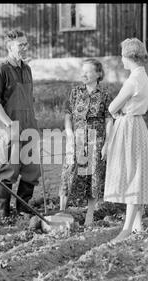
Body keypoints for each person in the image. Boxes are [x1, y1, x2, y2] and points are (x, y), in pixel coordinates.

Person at [104, 38, 148, 242]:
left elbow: (112, 107)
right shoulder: (143, 77)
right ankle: (138, 226)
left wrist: (116, 114)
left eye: (123, 55)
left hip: (129, 128)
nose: (121, 59)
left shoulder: (133, 80)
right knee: (135, 172)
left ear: (130, 57)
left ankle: (126, 230)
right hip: (137, 125)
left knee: (132, 174)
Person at [0, 29, 41, 218]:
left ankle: (23, 209)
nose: (25, 48)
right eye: (21, 45)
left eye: (26, 44)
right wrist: (9, 124)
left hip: (29, 126)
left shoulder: (27, 69)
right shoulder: (1, 69)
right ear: (10, 47)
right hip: (9, 126)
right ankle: (3, 211)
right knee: (9, 169)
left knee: (32, 169)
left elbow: (28, 99)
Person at [59, 58, 113, 226]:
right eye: (82, 71)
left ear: (98, 74)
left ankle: (89, 216)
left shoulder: (104, 95)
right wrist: (69, 133)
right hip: (77, 140)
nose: (84, 74)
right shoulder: (75, 92)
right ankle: (61, 213)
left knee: (93, 177)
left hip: (96, 141)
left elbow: (109, 120)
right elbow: (68, 114)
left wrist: (107, 144)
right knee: (68, 173)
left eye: (88, 71)